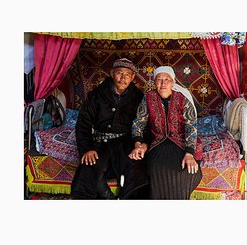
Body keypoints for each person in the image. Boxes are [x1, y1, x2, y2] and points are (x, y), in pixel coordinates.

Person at [71, 58, 149, 199]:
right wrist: (87, 148)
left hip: (125, 142)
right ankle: (106, 196)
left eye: (127, 74)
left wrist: (142, 145)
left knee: (137, 171)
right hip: (100, 141)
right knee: (89, 168)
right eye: (119, 73)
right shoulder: (96, 95)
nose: (123, 78)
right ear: (112, 73)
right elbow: (83, 123)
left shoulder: (139, 97)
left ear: (132, 78)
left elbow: (145, 125)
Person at [129, 66, 203, 199]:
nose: (163, 84)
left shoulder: (182, 99)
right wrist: (138, 144)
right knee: (155, 169)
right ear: (154, 82)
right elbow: (138, 123)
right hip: (158, 142)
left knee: (188, 171)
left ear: (173, 83)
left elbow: (191, 126)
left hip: (181, 143)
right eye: (159, 80)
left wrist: (190, 153)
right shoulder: (148, 98)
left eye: (167, 79)